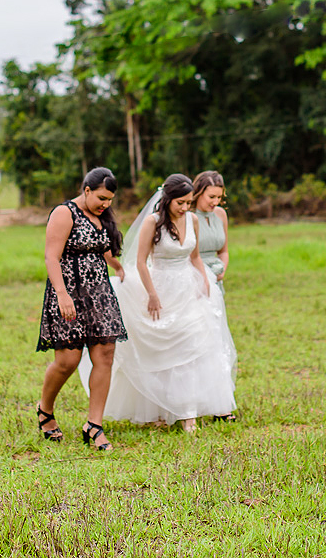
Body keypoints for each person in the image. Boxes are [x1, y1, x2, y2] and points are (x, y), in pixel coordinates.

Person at [101, 173, 237, 431]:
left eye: (188, 202)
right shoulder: (153, 223)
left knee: (192, 346)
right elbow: (141, 261)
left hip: (188, 286)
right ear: (168, 200)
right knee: (163, 350)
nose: (185, 207)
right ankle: (160, 408)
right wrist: (152, 294)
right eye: (180, 203)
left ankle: (189, 413)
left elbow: (195, 256)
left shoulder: (193, 219)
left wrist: (204, 280)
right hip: (160, 285)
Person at [35, 167, 127, 451]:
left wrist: (120, 267)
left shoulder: (100, 216)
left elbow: (103, 249)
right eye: (101, 197)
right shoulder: (65, 213)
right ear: (86, 190)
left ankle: (94, 425)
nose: (105, 204)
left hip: (99, 293)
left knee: (105, 355)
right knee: (67, 361)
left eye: (110, 199)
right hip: (69, 293)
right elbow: (52, 257)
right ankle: (45, 410)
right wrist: (62, 295)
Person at [191, 170, 237, 422]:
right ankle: (194, 402)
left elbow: (224, 250)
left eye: (219, 197)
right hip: (194, 282)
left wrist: (222, 269)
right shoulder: (186, 216)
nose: (215, 202)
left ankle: (221, 404)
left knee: (218, 341)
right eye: (210, 196)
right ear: (198, 193)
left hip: (216, 282)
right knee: (198, 341)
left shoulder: (220, 215)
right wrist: (203, 275)